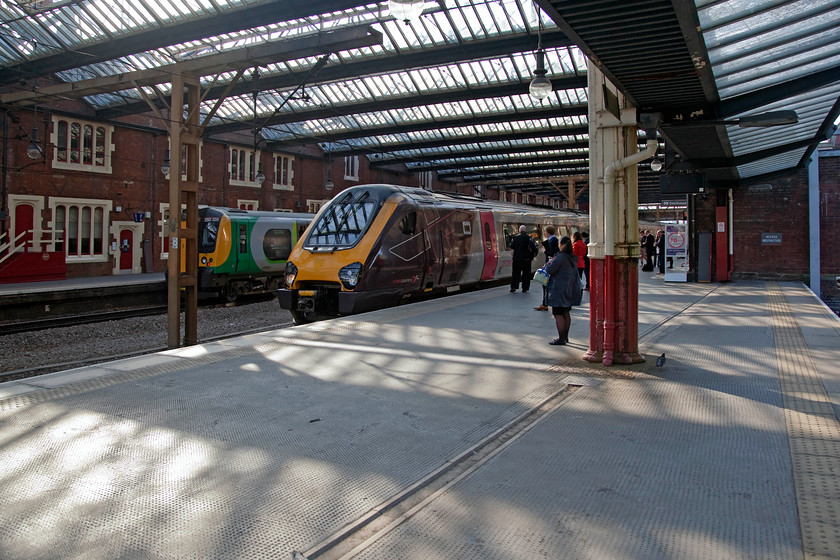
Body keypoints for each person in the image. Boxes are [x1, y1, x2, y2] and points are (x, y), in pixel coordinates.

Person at [544, 236, 583, 345]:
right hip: (569, 289)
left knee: (558, 314)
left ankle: (561, 338)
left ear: (561, 244)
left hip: (559, 289)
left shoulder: (560, 257)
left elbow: (550, 269)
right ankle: (565, 337)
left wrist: (548, 264)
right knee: (566, 312)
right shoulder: (572, 257)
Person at [534, 225, 560, 311]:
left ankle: (546, 303)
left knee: (546, 284)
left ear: (547, 232)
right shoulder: (553, 240)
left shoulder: (553, 241)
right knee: (546, 284)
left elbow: (552, 253)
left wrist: (545, 251)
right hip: (549, 264)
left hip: (550, 264)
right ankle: (545, 303)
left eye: (545, 232)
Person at [509, 225, 535, 293]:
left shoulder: (515, 238)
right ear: (525, 230)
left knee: (515, 273)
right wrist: (532, 258)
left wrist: (512, 257)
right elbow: (534, 249)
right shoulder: (529, 238)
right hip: (527, 259)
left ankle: (514, 287)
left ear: (519, 230)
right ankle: (525, 288)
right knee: (526, 274)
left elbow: (512, 249)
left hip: (517, 259)